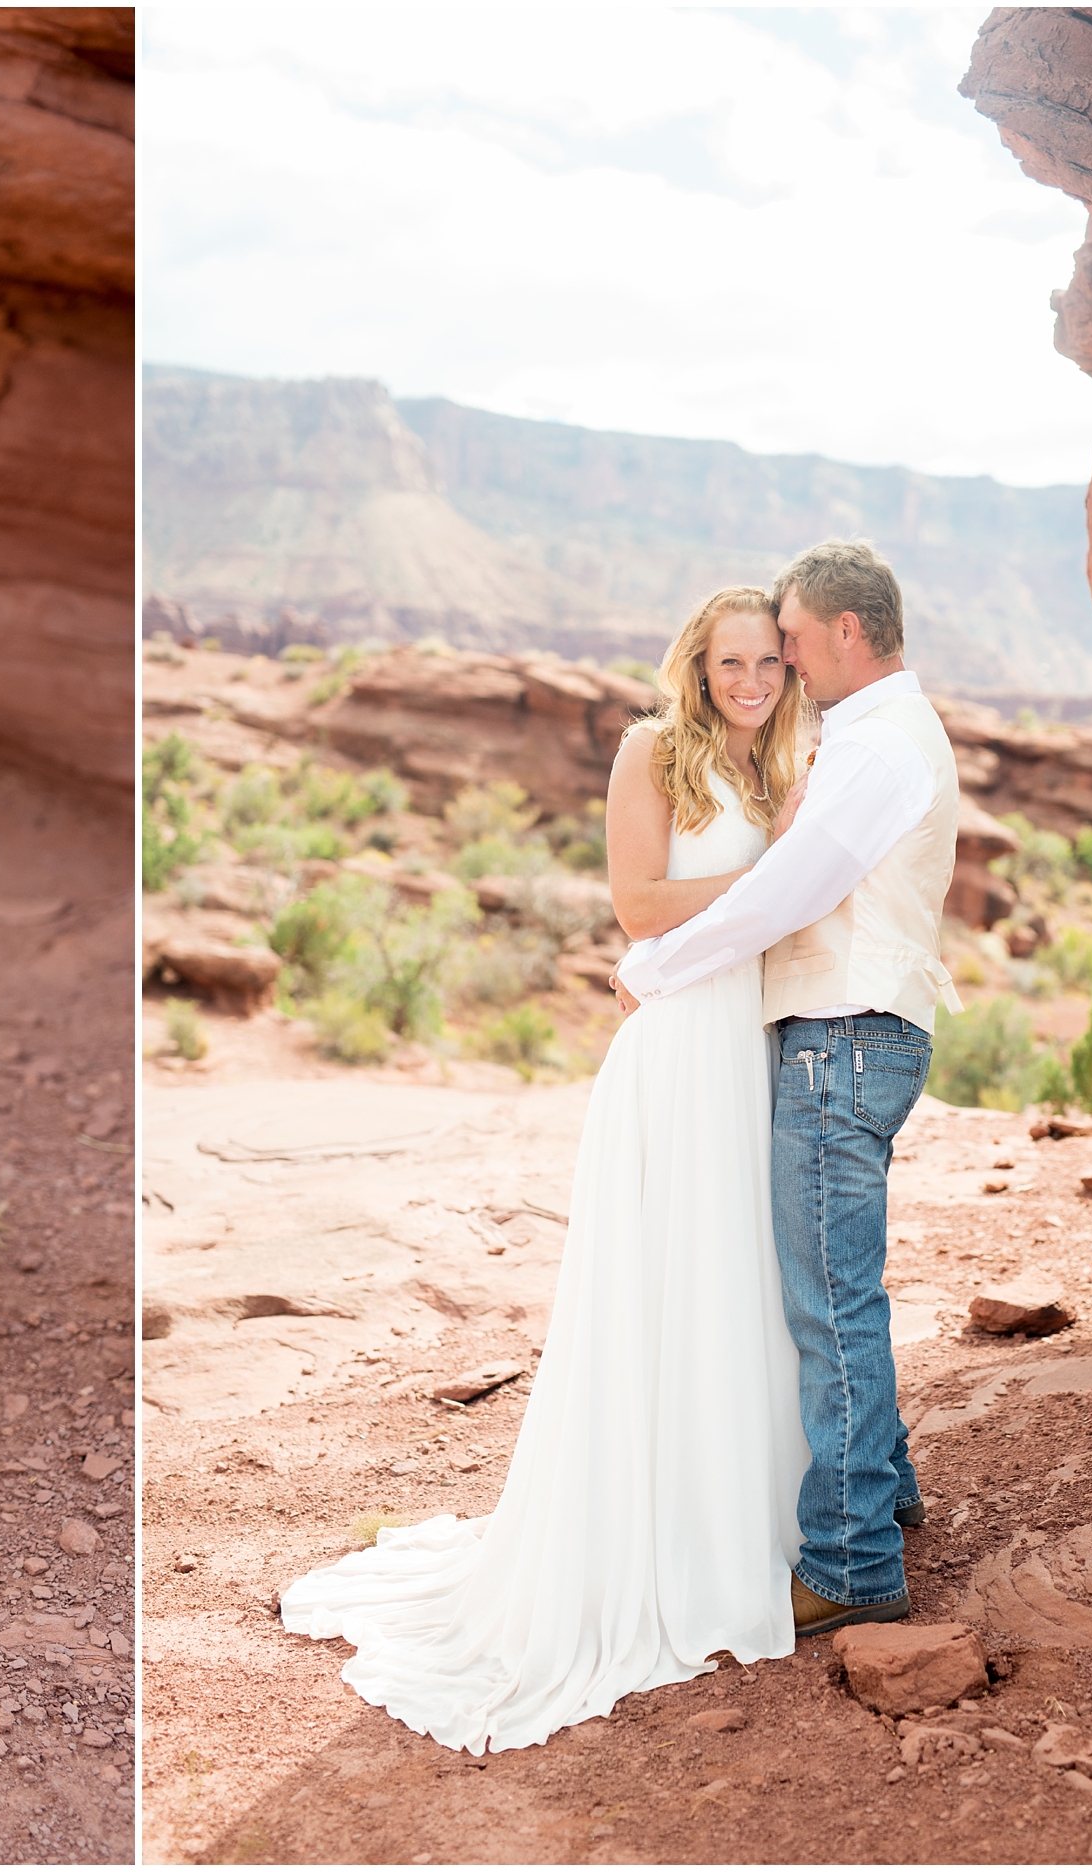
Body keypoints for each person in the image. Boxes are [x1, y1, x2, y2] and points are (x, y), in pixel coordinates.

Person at [278, 585, 812, 1755]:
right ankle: (647, 1544)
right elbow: (637, 905)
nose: (750, 678)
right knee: (662, 1286)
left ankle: (744, 1530)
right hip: (677, 1055)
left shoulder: (785, 765)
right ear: (697, 662)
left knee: (739, 1287)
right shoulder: (652, 754)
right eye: (730, 660)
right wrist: (772, 882)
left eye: (768, 660)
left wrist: (779, 884)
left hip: (751, 1050)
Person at [615, 538, 961, 1637]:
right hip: (851, 1034)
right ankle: (887, 1496)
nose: (786, 667)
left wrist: (654, 969)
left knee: (828, 1307)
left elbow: (787, 893)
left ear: (843, 633)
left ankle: (853, 1565)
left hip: (843, 1037)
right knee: (841, 1290)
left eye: (795, 643)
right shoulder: (871, 737)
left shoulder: (874, 748)